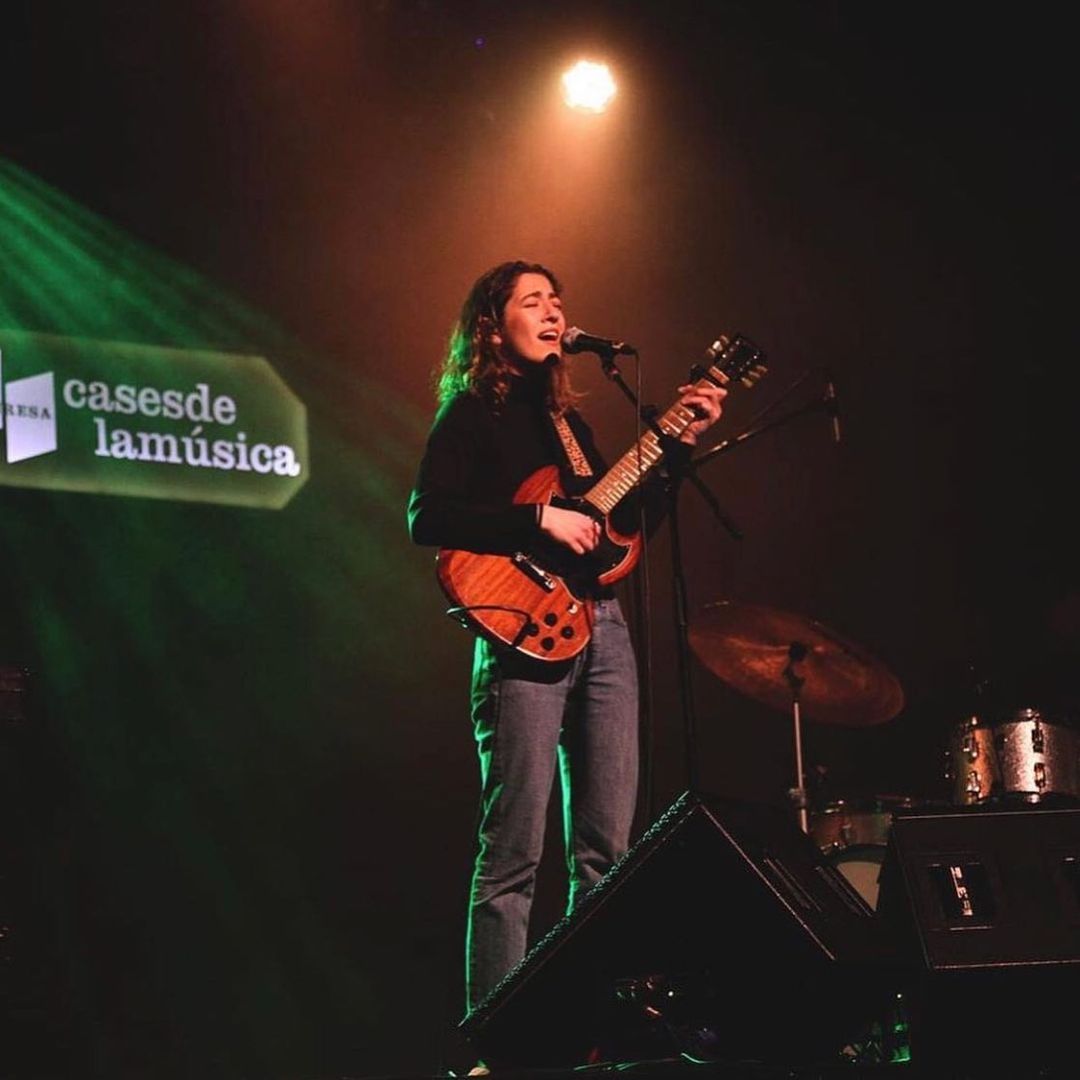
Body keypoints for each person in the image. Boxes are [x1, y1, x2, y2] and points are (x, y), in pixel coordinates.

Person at [407, 260, 726, 1021]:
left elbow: (621, 534)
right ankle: (499, 1038)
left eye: (556, 299)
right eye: (533, 301)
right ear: (493, 327)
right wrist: (535, 519)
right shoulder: (471, 415)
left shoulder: (568, 426)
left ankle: (587, 1028)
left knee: (607, 855)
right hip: (522, 635)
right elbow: (427, 515)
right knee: (513, 855)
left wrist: (678, 444)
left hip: (604, 626)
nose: (553, 311)